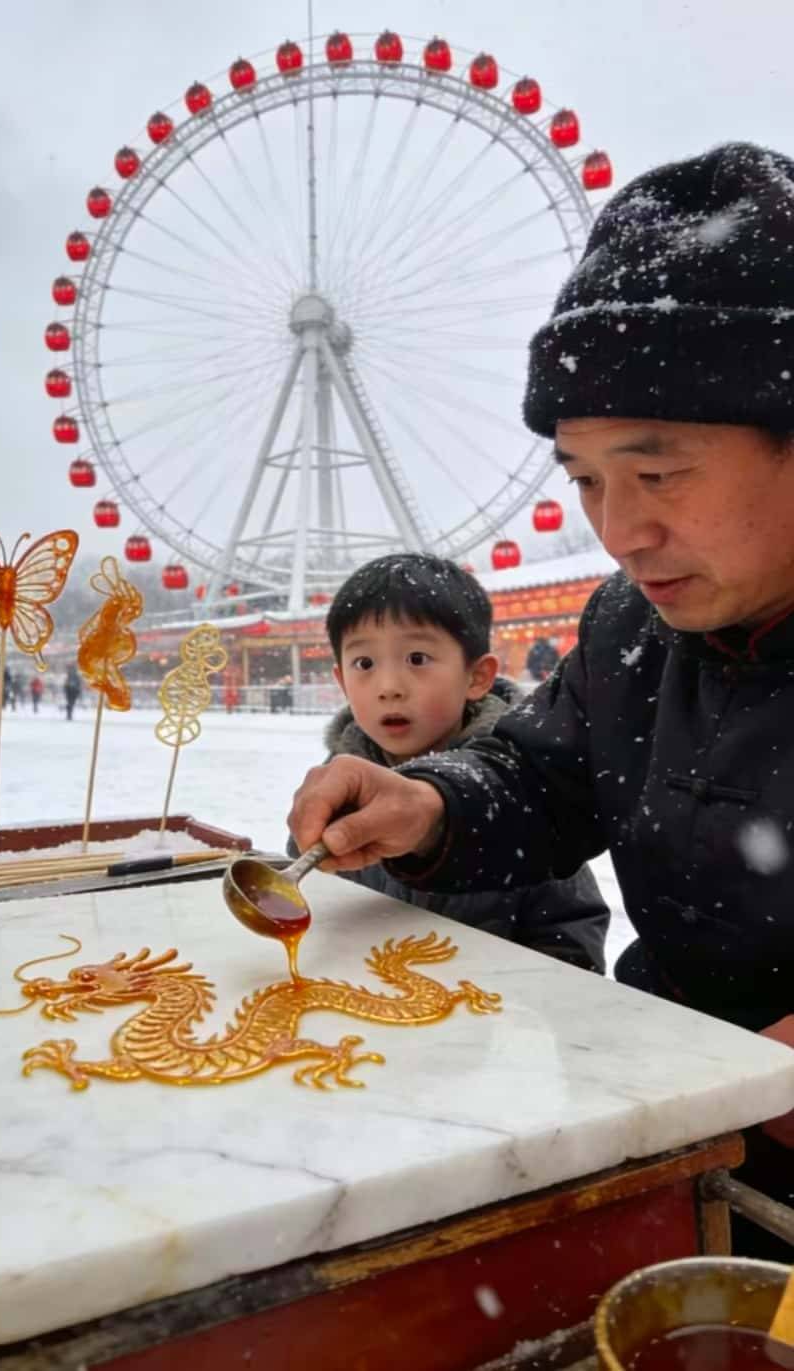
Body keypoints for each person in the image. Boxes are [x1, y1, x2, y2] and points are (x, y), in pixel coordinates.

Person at [288, 142, 794, 1255]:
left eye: (658, 473)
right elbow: (539, 771)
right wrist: (429, 805)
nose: (621, 531)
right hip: (665, 1111)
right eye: (585, 480)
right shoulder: (635, 622)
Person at [290, 554, 608, 971]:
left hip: (483, 1016)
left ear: (477, 676)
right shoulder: (334, 788)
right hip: (363, 1006)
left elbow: (571, 928)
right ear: (341, 680)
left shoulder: (521, 789)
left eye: (417, 659)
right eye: (364, 664)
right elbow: (311, 895)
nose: (388, 687)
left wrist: (530, 1004)